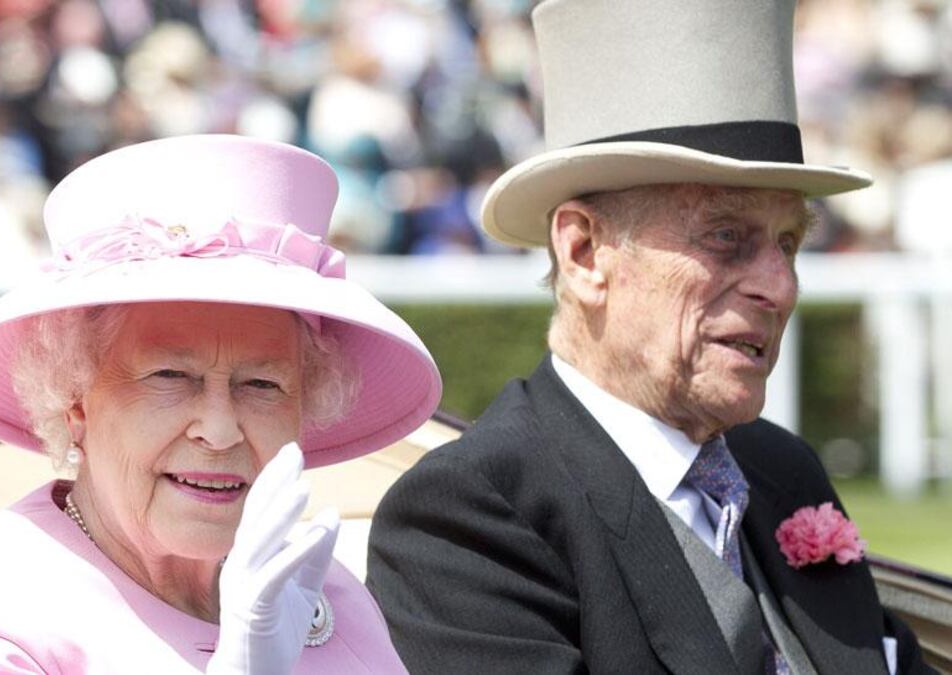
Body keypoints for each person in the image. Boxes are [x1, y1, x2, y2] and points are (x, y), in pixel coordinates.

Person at [366, 1, 933, 674]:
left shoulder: (781, 468)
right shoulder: (470, 515)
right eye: (726, 235)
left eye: (788, 242)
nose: (780, 287)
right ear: (584, 253)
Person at [0, 134, 442, 673]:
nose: (220, 430)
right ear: (75, 401)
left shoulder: (318, 588)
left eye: (261, 385)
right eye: (170, 376)